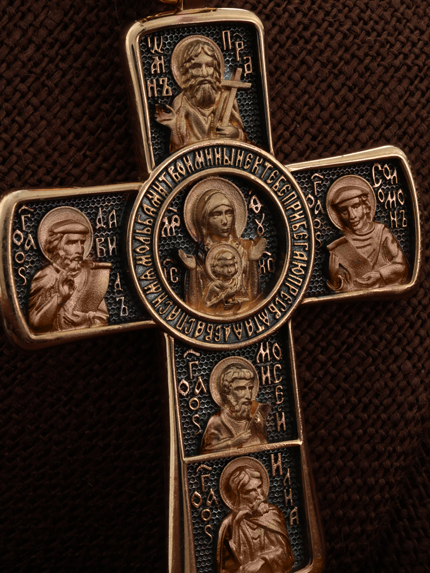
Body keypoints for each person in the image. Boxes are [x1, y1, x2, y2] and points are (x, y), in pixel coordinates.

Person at [179, 178, 266, 315]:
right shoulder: (200, 257)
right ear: (204, 220)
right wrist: (192, 270)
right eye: (217, 214)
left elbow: (255, 299)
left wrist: (253, 261)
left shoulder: (245, 249)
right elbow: (193, 307)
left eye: (229, 213)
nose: (225, 221)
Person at [155, 36, 248, 152]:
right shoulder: (181, 102)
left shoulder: (227, 98)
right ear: (188, 71)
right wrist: (173, 126)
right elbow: (177, 150)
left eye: (209, 66)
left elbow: (244, 138)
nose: (204, 73)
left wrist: (235, 133)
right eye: (197, 67)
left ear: (215, 70)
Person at [326, 175, 409, 292]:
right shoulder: (340, 245)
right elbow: (347, 288)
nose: (352, 216)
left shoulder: (382, 232)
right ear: (339, 215)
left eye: (356, 206)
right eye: (344, 211)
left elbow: (401, 267)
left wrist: (379, 274)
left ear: (365, 206)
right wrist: (335, 279)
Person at [29, 218, 110, 333]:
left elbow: (103, 318)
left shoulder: (90, 275)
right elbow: (36, 324)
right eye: (72, 243)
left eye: (82, 243)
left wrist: (87, 318)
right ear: (57, 246)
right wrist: (59, 299)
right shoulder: (47, 276)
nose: (79, 250)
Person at [217, 462, 295, 573]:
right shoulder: (228, 524)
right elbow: (226, 568)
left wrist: (262, 561)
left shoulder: (272, 514)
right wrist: (236, 524)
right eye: (252, 491)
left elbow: (286, 555)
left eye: (259, 487)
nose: (260, 494)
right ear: (240, 495)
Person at [200, 363, 270, 455]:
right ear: (228, 392)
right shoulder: (217, 421)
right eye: (241, 389)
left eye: (250, 388)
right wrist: (233, 443)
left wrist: (261, 431)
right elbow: (206, 451)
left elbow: (265, 450)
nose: (248, 396)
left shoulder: (256, 419)